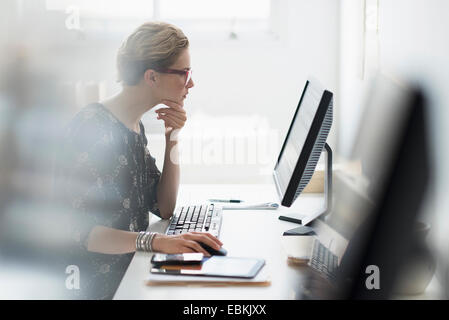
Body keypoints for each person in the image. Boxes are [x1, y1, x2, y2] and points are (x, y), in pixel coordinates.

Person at [56, 22, 223, 299]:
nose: (191, 83)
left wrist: (173, 138)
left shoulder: (133, 125)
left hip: (130, 277)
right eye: (184, 73)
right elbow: (78, 230)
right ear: (152, 77)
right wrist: (156, 242)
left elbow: (164, 206)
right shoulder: (93, 128)